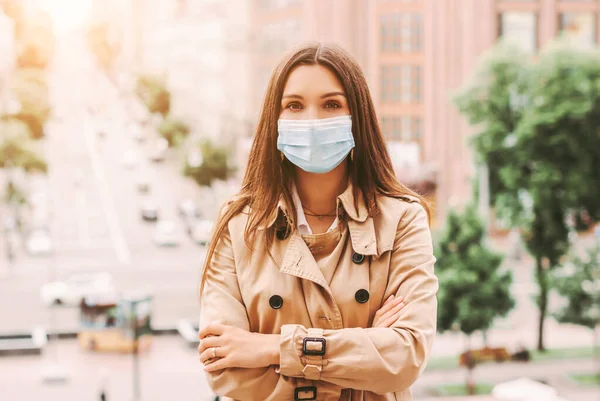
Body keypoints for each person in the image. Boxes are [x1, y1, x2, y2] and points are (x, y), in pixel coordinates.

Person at [198, 42, 438, 401]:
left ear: (357, 117)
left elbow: (405, 356)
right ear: (274, 121)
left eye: (331, 104)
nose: (312, 120)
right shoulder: (239, 224)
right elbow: (225, 369)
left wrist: (270, 348)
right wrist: (362, 352)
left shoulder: (402, 218)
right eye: (294, 105)